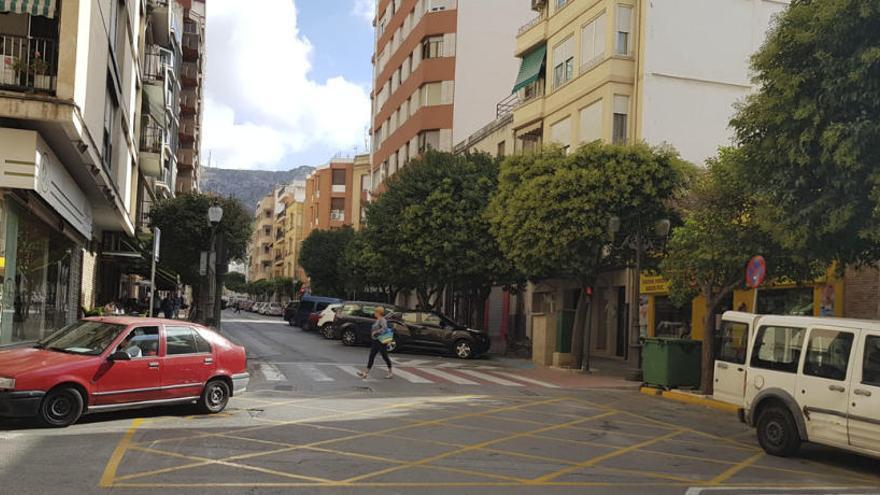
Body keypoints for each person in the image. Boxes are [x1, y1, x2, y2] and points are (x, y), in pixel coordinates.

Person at [357, 307, 393, 380]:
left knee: (384, 356)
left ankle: (390, 372)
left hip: (381, 341)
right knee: (371, 356)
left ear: (379, 313)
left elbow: (385, 328)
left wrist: (376, 332)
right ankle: (365, 373)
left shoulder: (382, 320)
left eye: (375, 312)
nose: (374, 313)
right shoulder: (378, 319)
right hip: (375, 340)